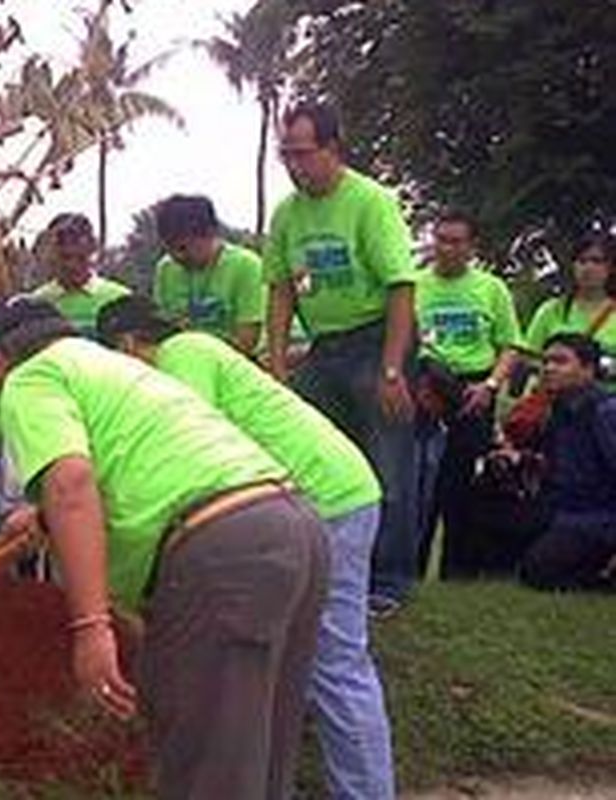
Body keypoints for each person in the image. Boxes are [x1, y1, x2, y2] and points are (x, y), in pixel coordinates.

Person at [0, 296, 328, 800]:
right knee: (259, 755)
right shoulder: (115, 368)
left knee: (203, 764)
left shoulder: (29, 378)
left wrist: (90, 626)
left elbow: (71, 482)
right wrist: (44, 518)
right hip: (292, 526)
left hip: (220, 550)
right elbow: (134, 469)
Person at [98, 295, 394, 800]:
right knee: (297, 655)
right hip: (319, 491)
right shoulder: (196, 351)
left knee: (335, 661)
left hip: (324, 495)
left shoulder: (184, 355)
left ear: (128, 345)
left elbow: (184, 450)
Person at [264, 101, 419, 616]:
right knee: (314, 454)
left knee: (388, 460)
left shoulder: (370, 201)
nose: (294, 165)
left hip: (377, 340)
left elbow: (401, 287)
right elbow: (281, 289)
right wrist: (280, 361)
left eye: (303, 154)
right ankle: (321, 566)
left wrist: (392, 369)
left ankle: (389, 580)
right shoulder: (287, 212)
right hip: (324, 347)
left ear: (333, 149)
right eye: (286, 155)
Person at [414, 210, 523, 579]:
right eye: (441, 239)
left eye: (456, 241)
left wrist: (490, 386)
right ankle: (410, 568)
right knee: (419, 484)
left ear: (471, 246)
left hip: (474, 390)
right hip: (425, 387)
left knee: (462, 485)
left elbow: (510, 346)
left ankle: (459, 571)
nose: (447, 248)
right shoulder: (414, 285)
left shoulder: (491, 289)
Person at [518, 334, 616, 591]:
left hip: (598, 517)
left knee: (539, 569)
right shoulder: (559, 408)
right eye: (546, 361)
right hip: (560, 508)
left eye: (560, 361)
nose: (549, 368)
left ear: (588, 369)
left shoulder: (605, 411)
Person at [153, 194, 265, 353]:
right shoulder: (165, 269)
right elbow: (163, 330)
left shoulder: (246, 266)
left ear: (211, 233)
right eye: (169, 249)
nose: (177, 257)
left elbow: (247, 341)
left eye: (183, 248)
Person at [524, 230, 616, 392]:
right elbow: (529, 359)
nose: (588, 268)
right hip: (558, 406)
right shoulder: (550, 311)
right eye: (581, 261)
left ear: (611, 267)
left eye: (597, 261)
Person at [31, 213, 130, 339]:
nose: (72, 265)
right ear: (51, 254)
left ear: (92, 249)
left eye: (81, 257)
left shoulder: (120, 299)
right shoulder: (38, 304)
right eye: (64, 257)